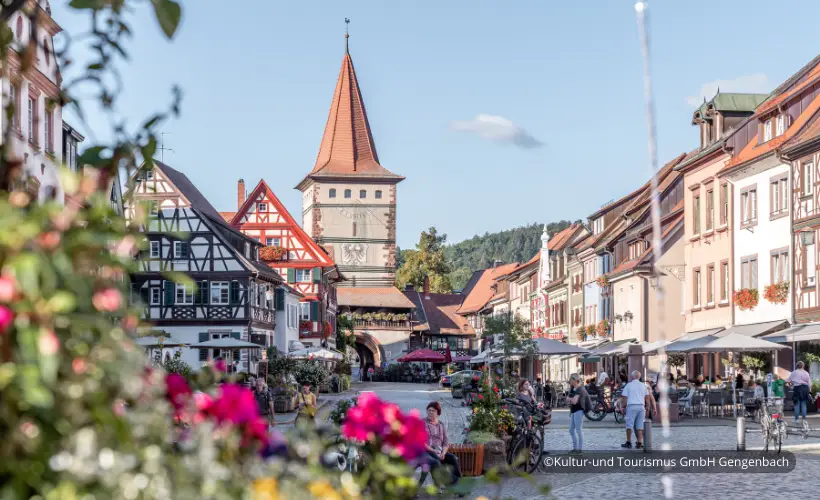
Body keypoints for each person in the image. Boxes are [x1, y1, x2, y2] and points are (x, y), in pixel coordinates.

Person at [422, 402, 462, 487]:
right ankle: (455, 483)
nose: (430, 412)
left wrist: (443, 453)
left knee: (453, 458)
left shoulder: (441, 424)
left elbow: (446, 442)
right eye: (429, 410)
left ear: (438, 413)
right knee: (436, 460)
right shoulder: (423, 423)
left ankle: (459, 484)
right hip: (427, 451)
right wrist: (434, 450)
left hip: (439, 451)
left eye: (433, 411)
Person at [620, 370, 656, 449]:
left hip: (631, 406)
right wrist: (648, 407)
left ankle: (629, 442)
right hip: (641, 407)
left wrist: (623, 407)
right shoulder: (643, 386)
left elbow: (624, 398)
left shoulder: (628, 385)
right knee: (640, 425)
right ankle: (639, 442)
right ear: (639, 377)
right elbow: (647, 397)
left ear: (632, 376)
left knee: (629, 425)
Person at [567, 373, 590, 454]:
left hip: (578, 411)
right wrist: (570, 399)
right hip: (574, 411)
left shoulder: (579, 389)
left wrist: (569, 399)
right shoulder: (574, 389)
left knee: (578, 430)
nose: (569, 381)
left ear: (575, 380)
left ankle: (579, 449)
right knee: (571, 430)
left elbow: (574, 401)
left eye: (571, 379)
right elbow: (571, 401)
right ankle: (575, 448)